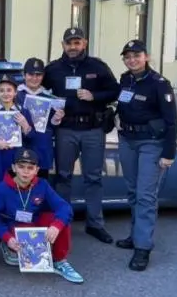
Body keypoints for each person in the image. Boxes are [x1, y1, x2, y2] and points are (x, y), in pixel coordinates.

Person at [43, 27, 120, 244]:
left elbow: (115, 91)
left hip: (92, 130)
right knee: (63, 177)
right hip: (65, 129)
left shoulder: (98, 66)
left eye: (77, 42)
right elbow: (37, 91)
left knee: (93, 178)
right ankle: (62, 223)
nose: (73, 47)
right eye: (69, 43)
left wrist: (94, 95)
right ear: (63, 45)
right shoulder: (54, 69)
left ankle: (95, 224)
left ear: (84, 43)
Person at [115, 39, 177, 271]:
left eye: (136, 55)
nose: (132, 60)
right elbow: (120, 105)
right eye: (128, 56)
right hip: (128, 140)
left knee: (145, 195)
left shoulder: (159, 84)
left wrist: (168, 152)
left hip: (151, 143)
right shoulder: (126, 79)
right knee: (133, 191)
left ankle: (143, 248)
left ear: (146, 57)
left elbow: (171, 120)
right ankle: (135, 235)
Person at [0, 148, 84, 283]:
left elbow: (64, 207)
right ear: (14, 168)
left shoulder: (42, 185)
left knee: (60, 219)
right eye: (21, 167)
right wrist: (7, 237)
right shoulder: (1, 188)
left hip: (35, 224)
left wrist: (56, 226)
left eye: (30, 168)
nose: (26, 171)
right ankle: (8, 246)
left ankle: (59, 261)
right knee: (20, 249)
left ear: (36, 170)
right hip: (15, 227)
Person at [0, 75, 36, 191]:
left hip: (16, 158)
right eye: (1, 90)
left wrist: (25, 125)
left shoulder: (23, 111)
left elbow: (32, 137)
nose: (5, 94)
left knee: (15, 191)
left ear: (15, 92)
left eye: (9, 90)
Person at [16, 58, 64, 179]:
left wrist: (56, 119)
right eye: (31, 74)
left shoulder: (49, 97)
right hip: (21, 150)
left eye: (38, 75)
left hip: (41, 150)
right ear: (24, 74)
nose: (34, 78)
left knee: (40, 192)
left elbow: (51, 126)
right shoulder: (14, 95)